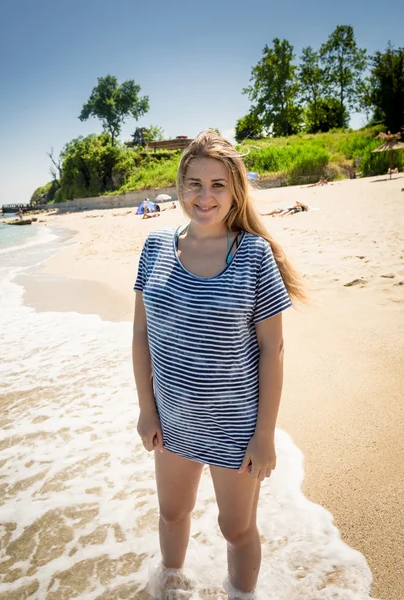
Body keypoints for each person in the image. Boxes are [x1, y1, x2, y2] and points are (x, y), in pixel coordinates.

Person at [132, 130, 305, 599]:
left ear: (235, 190)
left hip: (235, 427)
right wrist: (147, 409)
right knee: (172, 513)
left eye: (217, 185)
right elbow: (142, 336)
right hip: (174, 422)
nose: (204, 196)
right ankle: (170, 585)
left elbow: (273, 350)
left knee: (237, 530)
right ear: (179, 185)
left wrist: (265, 434)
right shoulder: (154, 249)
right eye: (194, 184)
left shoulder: (252, 255)